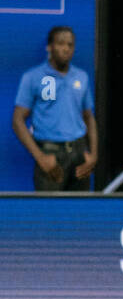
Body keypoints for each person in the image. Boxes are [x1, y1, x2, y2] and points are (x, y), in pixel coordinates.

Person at [11, 26, 97, 192]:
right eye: (60, 43)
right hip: (51, 155)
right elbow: (17, 120)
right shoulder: (34, 77)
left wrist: (93, 155)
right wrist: (40, 157)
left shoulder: (81, 77)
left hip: (79, 155)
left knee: (80, 214)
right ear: (49, 47)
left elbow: (89, 117)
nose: (65, 49)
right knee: (49, 214)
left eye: (70, 45)